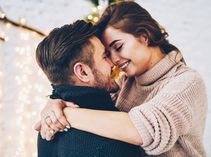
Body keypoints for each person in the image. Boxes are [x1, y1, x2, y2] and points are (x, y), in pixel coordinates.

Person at [35, 1, 208, 157]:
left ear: (144, 36)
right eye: (107, 54)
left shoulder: (187, 82)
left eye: (118, 47)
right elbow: (89, 95)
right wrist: (54, 102)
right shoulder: (125, 81)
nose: (114, 60)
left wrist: (64, 114)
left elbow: (147, 130)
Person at [35, 20, 142, 157]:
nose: (113, 62)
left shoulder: (46, 130)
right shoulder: (115, 144)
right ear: (83, 72)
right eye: (104, 57)